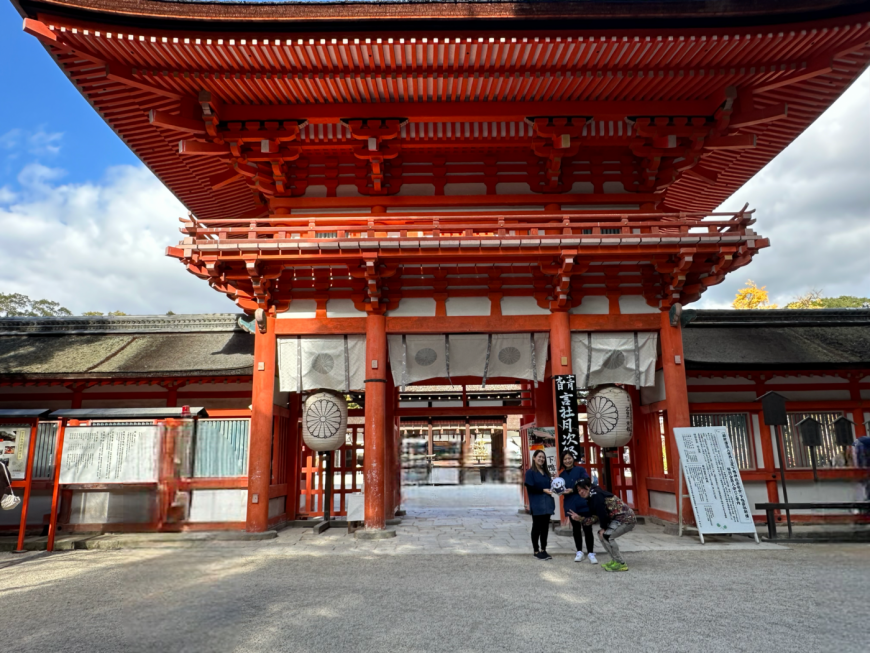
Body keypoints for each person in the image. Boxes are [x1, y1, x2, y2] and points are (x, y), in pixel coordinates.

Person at [569, 478, 637, 572]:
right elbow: (595, 517)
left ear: (587, 487)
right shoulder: (592, 496)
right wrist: (579, 519)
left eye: (581, 489)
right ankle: (614, 560)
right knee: (601, 535)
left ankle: (620, 563)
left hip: (626, 518)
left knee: (607, 535)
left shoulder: (596, 495)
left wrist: (604, 528)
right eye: (578, 490)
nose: (580, 492)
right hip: (617, 519)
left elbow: (602, 514)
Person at [558, 452, 597, 564]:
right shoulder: (562, 475)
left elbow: (587, 481)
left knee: (587, 528)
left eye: (569, 458)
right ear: (562, 461)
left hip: (584, 502)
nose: (567, 461)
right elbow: (560, 489)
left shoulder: (580, 470)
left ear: (573, 458)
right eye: (565, 459)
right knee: (576, 529)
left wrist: (573, 490)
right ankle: (579, 551)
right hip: (571, 504)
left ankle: (590, 552)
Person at [524, 450, 555, 560]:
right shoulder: (530, 472)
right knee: (537, 527)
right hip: (537, 503)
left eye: (543, 457)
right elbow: (530, 487)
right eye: (539, 457)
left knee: (545, 528)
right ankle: (536, 550)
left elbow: (550, 487)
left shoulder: (546, 473)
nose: (541, 459)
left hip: (547, 503)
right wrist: (543, 490)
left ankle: (543, 549)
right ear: (534, 458)